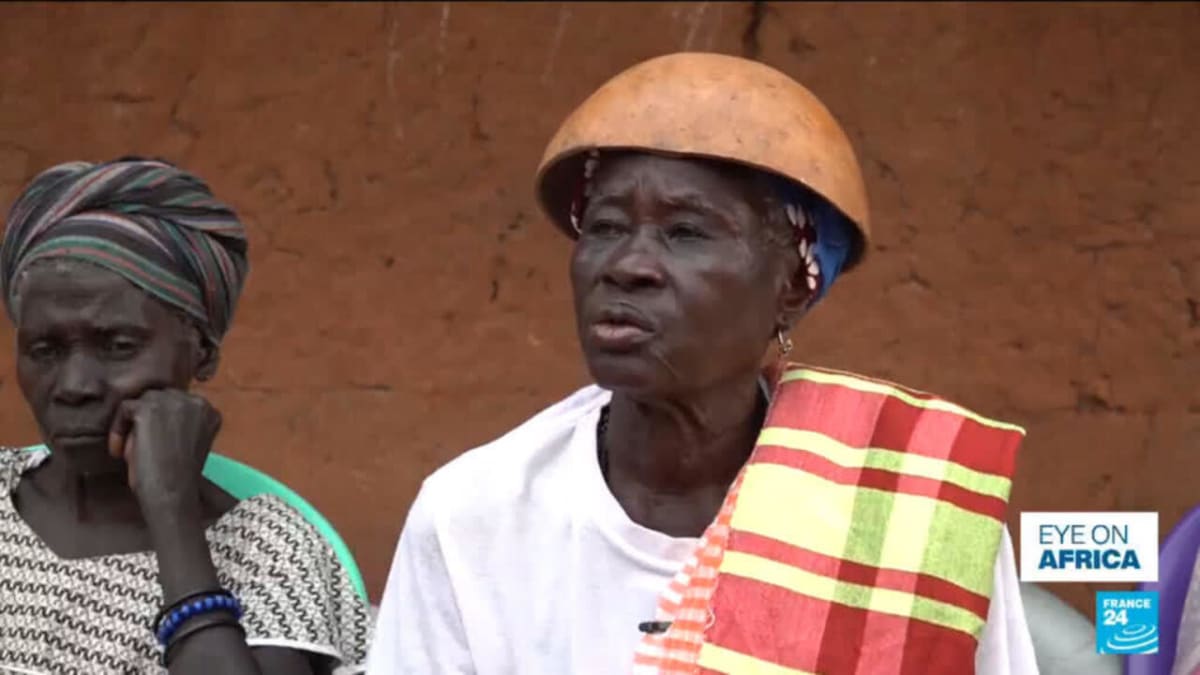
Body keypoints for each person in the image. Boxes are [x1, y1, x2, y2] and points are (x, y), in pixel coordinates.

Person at [368, 53, 1038, 674]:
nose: (626, 265)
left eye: (685, 232)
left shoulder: (912, 515)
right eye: (602, 227)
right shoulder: (474, 518)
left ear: (793, 284)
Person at [0, 158, 370, 674]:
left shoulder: (271, 551)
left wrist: (173, 514)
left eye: (118, 345)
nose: (74, 386)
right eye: (44, 349)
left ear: (202, 352)